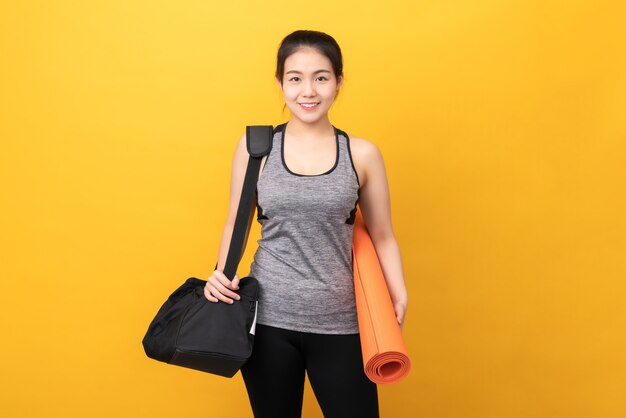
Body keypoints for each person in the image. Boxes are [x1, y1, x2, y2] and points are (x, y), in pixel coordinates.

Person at [204, 30, 407, 418]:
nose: (308, 90)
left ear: (338, 82)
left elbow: (383, 235)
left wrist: (398, 293)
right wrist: (219, 273)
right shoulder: (255, 148)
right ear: (280, 83)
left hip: (342, 321)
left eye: (321, 77)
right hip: (267, 322)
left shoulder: (362, 154)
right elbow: (236, 223)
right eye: (295, 78)